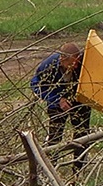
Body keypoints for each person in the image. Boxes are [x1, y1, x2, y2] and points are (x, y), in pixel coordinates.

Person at [30, 42, 90, 171]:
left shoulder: (84, 63)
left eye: (77, 62)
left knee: (82, 133)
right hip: (57, 100)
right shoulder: (48, 66)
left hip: (79, 100)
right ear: (62, 59)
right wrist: (57, 100)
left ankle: (78, 168)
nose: (74, 66)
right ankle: (51, 168)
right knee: (55, 135)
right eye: (71, 63)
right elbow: (36, 85)